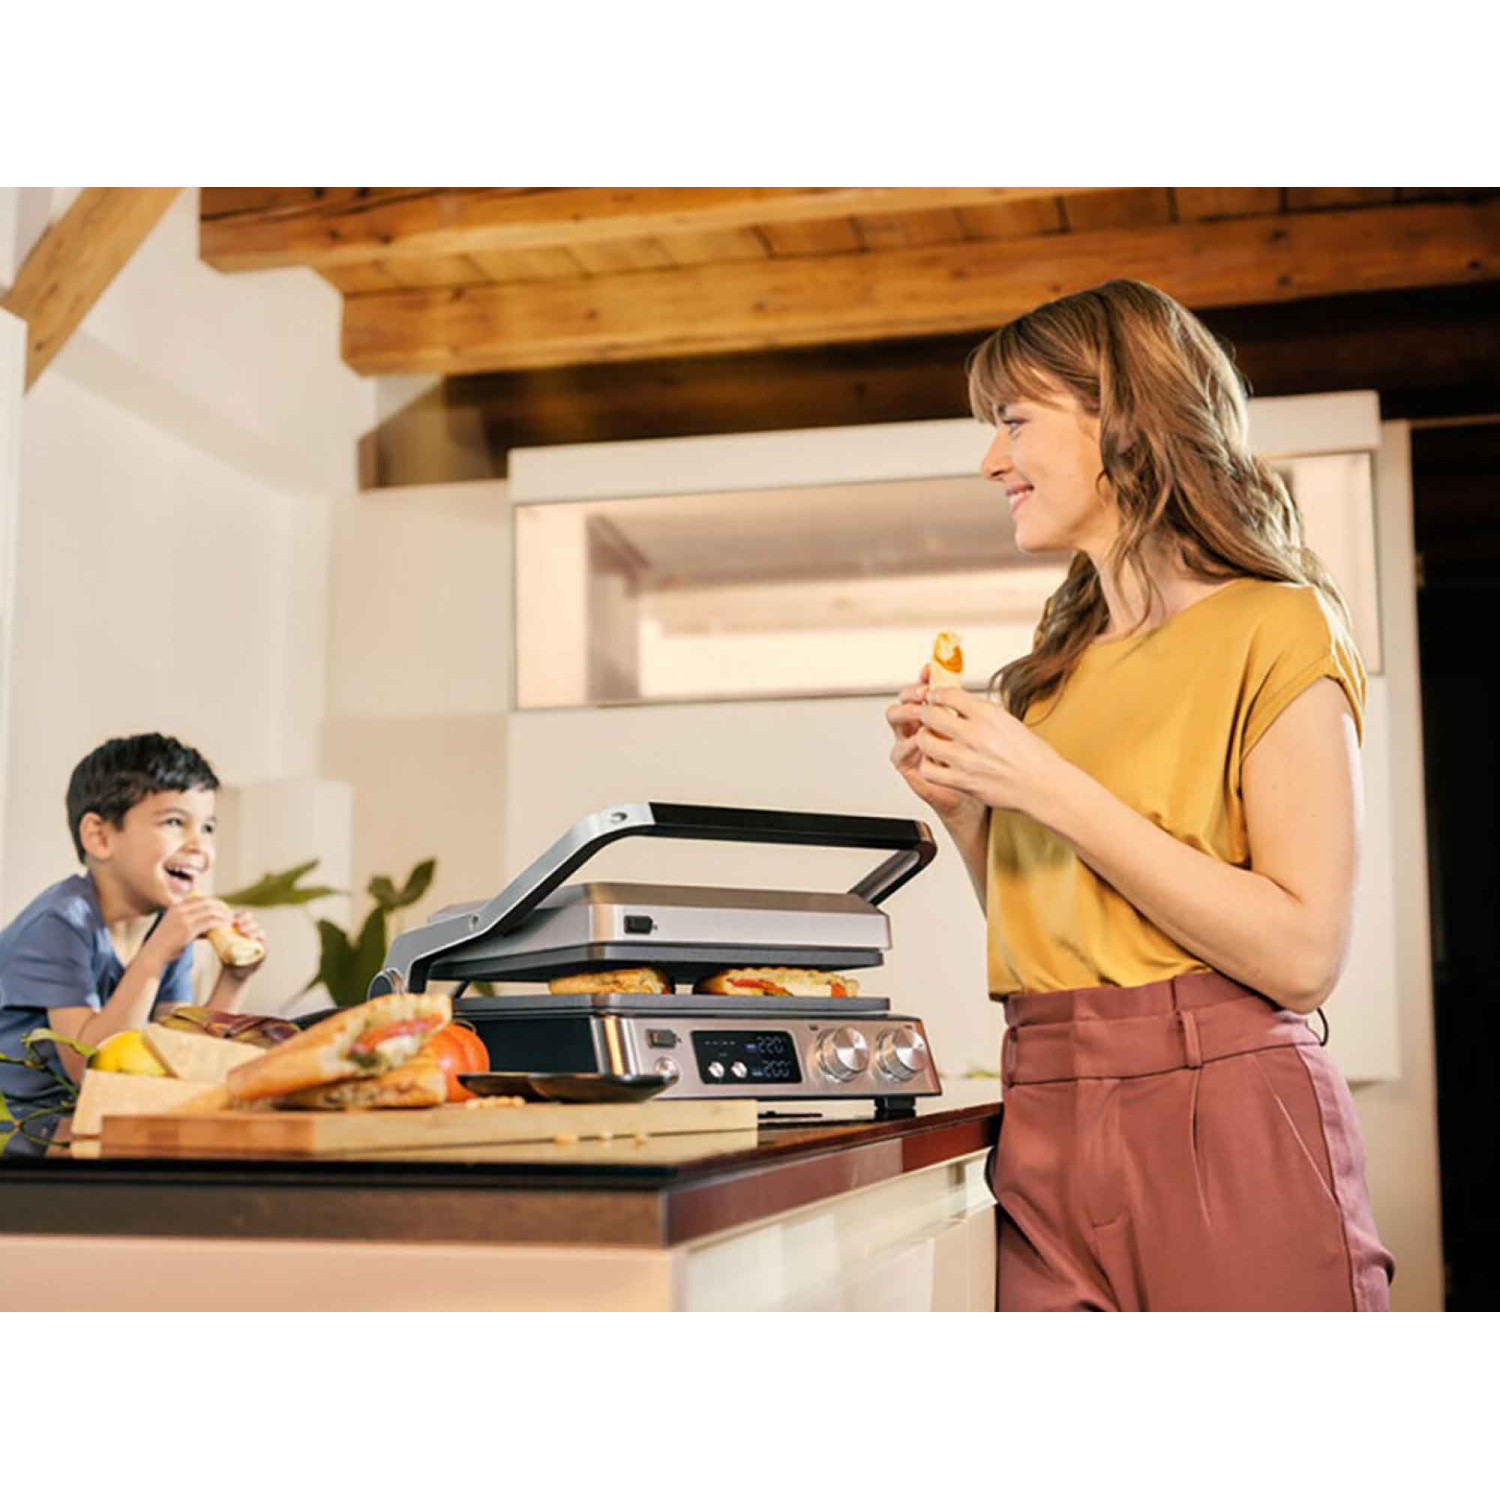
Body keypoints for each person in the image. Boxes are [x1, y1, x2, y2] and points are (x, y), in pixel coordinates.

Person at [886, 278, 1395, 1311]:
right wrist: (970, 812)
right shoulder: (1052, 673)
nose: (992, 461)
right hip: (1043, 1110)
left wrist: (1045, 783)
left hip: (1226, 1110)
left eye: (1014, 422)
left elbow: (1302, 958)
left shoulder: (1278, 625)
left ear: (1119, 416)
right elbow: (1067, 929)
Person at [0, 733, 266, 1154]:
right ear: (100, 837)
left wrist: (233, 980)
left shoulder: (165, 924)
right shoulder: (60, 923)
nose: (200, 846)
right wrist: (156, 954)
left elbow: (179, 1061)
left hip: (88, 1118)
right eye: (174, 822)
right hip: (21, 1125)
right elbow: (91, 1069)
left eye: (208, 827)